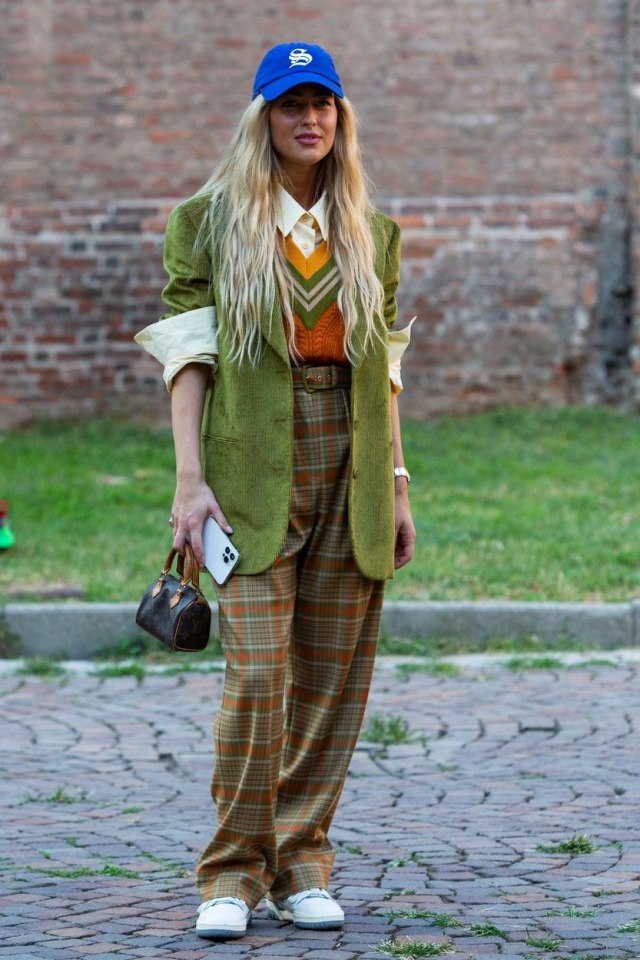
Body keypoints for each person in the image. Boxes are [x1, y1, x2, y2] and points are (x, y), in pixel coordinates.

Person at [135, 41, 416, 941]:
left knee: (332, 681)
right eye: (292, 104)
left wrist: (398, 483)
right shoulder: (209, 222)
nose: (310, 119)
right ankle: (231, 871)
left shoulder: (370, 230)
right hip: (250, 467)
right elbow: (189, 356)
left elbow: (386, 372)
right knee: (258, 677)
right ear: (263, 118)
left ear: (341, 117)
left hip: (352, 464)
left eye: (322, 104)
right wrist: (189, 482)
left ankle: (302, 864)